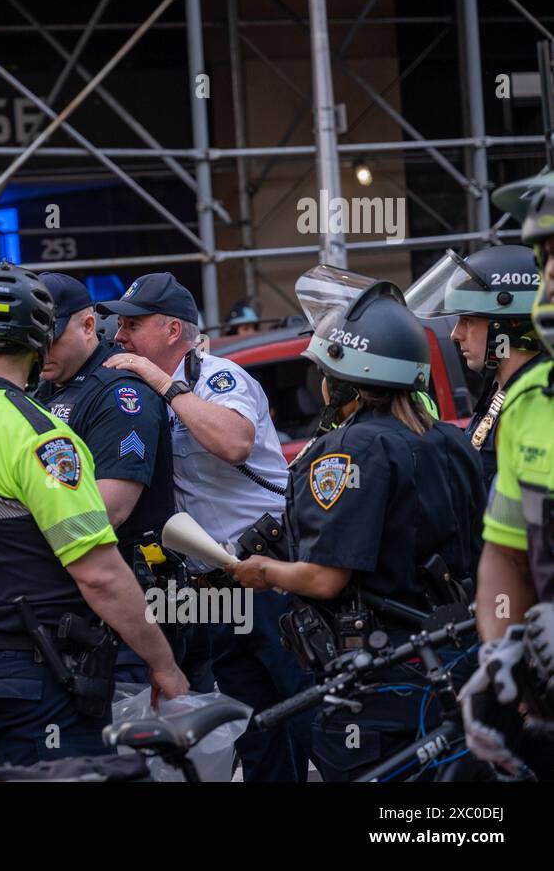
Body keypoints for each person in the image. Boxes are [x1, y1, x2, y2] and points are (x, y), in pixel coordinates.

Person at [0, 262, 188, 777]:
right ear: (40, 336)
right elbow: (97, 572)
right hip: (36, 681)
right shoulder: (41, 437)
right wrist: (163, 663)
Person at [226, 282, 484, 782]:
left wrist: (262, 570)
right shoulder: (450, 439)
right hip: (453, 660)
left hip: (381, 679)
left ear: (344, 382)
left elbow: (325, 580)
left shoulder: (351, 450)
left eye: (324, 373)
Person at [99, 272, 311, 782]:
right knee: (256, 730)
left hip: (269, 574)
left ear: (173, 329)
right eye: (118, 324)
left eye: (132, 324)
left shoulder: (219, 375)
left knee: (309, 715)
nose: (119, 335)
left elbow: (235, 442)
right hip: (212, 589)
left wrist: (163, 383)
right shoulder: (140, 393)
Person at [32, 273, 183, 686]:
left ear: (86, 326)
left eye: (53, 337)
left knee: (129, 741)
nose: (42, 350)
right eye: (34, 338)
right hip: (70, 605)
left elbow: (108, 511)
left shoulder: (119, 393)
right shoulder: (42, 388)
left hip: (127, 605)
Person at [461, 172, 554, 780]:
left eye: (467, 320)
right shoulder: (530, 403)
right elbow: (506, 553)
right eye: (549, 260)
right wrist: (499, 651)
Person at [408, 244, 544, 490]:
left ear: (508, 324)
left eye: (468, 320)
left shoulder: (538, 402)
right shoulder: (501, 392)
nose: (455, 334)